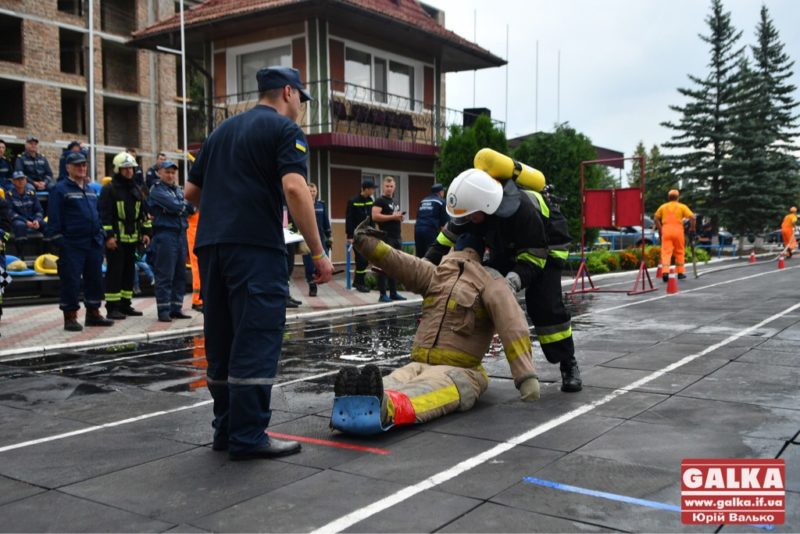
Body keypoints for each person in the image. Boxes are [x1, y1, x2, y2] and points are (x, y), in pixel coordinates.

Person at [184, 65, 333, 461]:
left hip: (212, 247)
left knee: (223, 338)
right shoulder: (285, 132)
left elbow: (191, 190)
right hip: (254, 250)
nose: (301, 106)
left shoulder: (220, 133)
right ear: (288, 92)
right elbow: (294, 188)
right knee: (256, 336)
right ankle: (248, 436)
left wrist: (226, 211)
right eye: (301, 97)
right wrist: (317, 253)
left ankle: (227, 429)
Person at [331, 221, 540, 434]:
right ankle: (380, 404)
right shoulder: (491, 282)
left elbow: (399, 262)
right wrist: (526, 377)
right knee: (424, 392)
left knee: (401, 383)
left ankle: (369, 400)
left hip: (443, 367)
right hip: (455, 367)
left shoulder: (437, 274)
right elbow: (513, 325)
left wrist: (365, 242)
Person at [426, 168, 582, 393]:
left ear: (487, 206)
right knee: (474, 289)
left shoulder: (523, 212)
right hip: (508, 244)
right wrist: (422, 265)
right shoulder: (473, 209)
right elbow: (444, 241)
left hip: (545, 247)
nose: (468, 219)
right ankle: (463, 356)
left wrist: (512, 282)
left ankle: (568, 363)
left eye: (471, 215)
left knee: (544, 305)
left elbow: (534, 257)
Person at [47, 151, 114, 331]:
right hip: (72, 244)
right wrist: (61, 242)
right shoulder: (60, 189)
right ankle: (70, 317)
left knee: (95, 279)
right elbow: (54, 219)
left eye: (84, 165)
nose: (82, 168)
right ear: (68, 167)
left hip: (93, 242)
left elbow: (97, 215)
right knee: (71, 281)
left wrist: (100, 234)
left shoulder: (91, 189)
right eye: (77, 165)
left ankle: (93, 313)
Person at [99, 152, 151, 320]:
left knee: (129, 272)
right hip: (117, 239)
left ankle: (125, 304)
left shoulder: (136, 188)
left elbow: (143, 213)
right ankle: (112, 307)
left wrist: (146, 233)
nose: (129, 172)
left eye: (131, 168)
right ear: (118, 169)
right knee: (115, 272)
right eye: (125, 169)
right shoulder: (110, 189)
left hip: (132, 238)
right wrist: (109, 236)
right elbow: (104, 216)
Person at [147, 160, 193, 322]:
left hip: (180, 234)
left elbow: (190, 208)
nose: (171, 175)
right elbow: (176, 207)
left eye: (173, 172)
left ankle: (176, 308)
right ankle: (163, 310)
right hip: (165, 235)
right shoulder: (157, 190)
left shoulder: (177, 190)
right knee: (165, 274)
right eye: (167, 172)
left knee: (180, 274)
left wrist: (181, 207)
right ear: (160, 172)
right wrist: (181, 207)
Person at [371, 176, 406, 302]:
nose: (389, 188)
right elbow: (375, 217)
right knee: (384, 265)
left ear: (394, 187)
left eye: (391, 186)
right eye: (387, 186)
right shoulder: (379, 201)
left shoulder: (394, 201)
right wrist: (392, 217)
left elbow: (394, 216)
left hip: (397, 236)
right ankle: (382, 294)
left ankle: (393, 293)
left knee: (395, 265)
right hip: (386, 237)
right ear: (383, 187)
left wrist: (399, 217)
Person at [654, 189, 696, 281]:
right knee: (679, 251)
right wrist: (692, 229)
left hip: (666, 232)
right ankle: (680, 273)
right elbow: (693, 217)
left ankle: (665, 272)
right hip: (678, 232)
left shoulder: (663, 207)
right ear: (678, 197)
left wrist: (660, 230)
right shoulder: (682, 207)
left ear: (669, 197)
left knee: (666, 253)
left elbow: (656, 218)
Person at [345, 178, 376, 292]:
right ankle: (359, 283)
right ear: (365, 189)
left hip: (367, 235)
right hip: (356, 235)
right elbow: (349, 220)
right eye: (372, 189)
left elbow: (371, 218)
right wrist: (350, 236)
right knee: (361, 259)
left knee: (365, 260)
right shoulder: (353, 201)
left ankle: (358, 282)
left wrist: (373, 232)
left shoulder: (370, 201)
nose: (373, 191)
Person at [7, 171, 45, 259]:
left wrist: (37, 220)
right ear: (13, 181)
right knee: (20, 225)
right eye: (17, 179)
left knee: (45, 225)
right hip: (18, 220)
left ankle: (45, 253)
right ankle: (21, 255)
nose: (20, 181)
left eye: (22, 179)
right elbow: (10, 213)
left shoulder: (31, 193)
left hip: (32, 219)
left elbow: (39, 210)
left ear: (26, 180)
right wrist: (25, 221)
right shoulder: (9, 194)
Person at [302, 182, 331, 297]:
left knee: (322, 261)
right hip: (307, 239)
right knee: (309, 264)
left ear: (316, 192)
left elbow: (325, 222)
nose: (312, 193)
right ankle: (312, 285)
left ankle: (318, 278)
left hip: (321, 238)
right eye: (310, 191)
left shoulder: (321, 205)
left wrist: (330, 236)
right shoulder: (303, 204)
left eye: (314, 191)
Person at [414, 183, 448, 258]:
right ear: (440, 192)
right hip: (430, 230)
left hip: (418, 229)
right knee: (431, 256)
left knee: (420, 256)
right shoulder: (441, 202)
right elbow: (444, 226)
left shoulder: (423, 201)